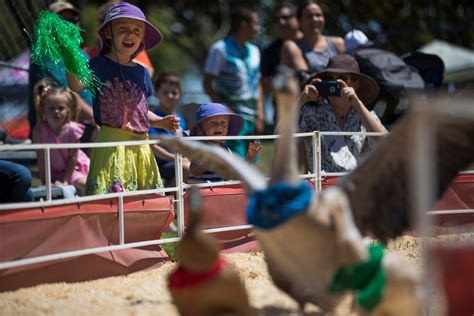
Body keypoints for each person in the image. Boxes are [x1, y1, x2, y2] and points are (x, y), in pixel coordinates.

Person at [66, 2, 180, 195]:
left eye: (137, 30)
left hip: (140, 147)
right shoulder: (97, 64)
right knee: (113, 202)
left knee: (143, 202)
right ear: (109, 33)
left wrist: (161, 122)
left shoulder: (142, 72)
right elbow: (75, 86)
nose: (130, 35)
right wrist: (69, 56)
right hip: (112, 144)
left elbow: (141, 112)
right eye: (123, 29)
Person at [297, 54, 386, 173]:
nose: (334, 83)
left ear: (355, 84)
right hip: (323, 188)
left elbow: (385, 143)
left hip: (356, 186)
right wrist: (300, 101)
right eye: (329, 78)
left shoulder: (364, 115)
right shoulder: (310, 113)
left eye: (342, 78)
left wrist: (357, 103)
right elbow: (280, 137)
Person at [202, 7, 264, 158]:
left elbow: (258, 83)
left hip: (253, 118)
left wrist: (261, 114)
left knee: (252, 166)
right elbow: (207, 83)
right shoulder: (220, 49)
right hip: (232, 119)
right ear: (243, 25)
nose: (258, 28)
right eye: (255, 24)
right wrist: (225, 111)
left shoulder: (255, 51)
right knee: (236, 165)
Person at [28, 1, 95, 140]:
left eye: (72, 20)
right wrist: (98, 119)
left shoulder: (82, 54)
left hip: (85, 125)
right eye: (61, 20)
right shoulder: (46, 55)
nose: (68, 24)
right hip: (59, 130)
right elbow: (66, 95)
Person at [32, 80, 90, 196]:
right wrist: (45, 182)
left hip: (75, 170)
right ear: (43, 110)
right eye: (51, 108)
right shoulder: (39, 131)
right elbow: (41, 158)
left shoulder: (73, 130)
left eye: (61, 108)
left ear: (68, 110)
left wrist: (65, 181)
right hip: (55, 171)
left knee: (85, 185)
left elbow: (73, 158)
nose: (56, 112)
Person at [188, 103, 261, 183]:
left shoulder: (226, 150)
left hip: (221, 192)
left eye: (223, 123)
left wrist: (249, 157)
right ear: (200, 128)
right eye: (212, 123)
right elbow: (194, 171)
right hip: (202, 192)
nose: (219, 126)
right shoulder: (199, 148)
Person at [261, 3, 302, 128]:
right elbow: (265, 84)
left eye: (286, 17)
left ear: (297, 19)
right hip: (285, 111)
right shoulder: (269, 51)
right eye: (277, 20)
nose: (281, 22)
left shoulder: (310, 43)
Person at [88, 1, 156, 77]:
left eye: (136, 30)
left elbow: (147, 74)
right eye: (122, 27)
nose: (130, 34)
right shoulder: (90, 53)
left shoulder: (136, 53)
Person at [281, 0, 344, 81]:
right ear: (299, 21)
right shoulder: (292, 47)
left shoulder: (338, 43)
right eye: (309, 16)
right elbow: (307, 80)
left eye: (318, 15)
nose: (315, 19)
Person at [149, 71, 190, 185]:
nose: (170, 96)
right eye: (165, 92)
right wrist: (174, 158)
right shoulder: (153, 118)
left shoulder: (181, 120)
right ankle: (174, 201)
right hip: (157, 164)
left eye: (174, 92)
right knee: (185, 167)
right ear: (156, 94)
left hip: (175, 162)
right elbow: (153, 147)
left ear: (180, 95)